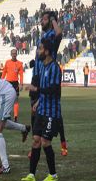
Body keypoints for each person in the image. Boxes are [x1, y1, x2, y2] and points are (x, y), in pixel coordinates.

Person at [21, 38, 62, 181]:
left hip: (52, 112)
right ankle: (31, 174)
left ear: (47, 51)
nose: (38, 51)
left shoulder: (55, 68)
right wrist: (38, 102)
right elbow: (45, 91)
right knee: (36, 140)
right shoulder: (43, 66)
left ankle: (53, 174)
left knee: (45, 142)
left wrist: (36, 89)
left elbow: (55, 90)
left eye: (40, 49)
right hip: (42, 109)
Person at [29, 11, 68, 157]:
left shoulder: (52, 34)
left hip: (45, 76)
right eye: (41, 19)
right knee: (35, 110)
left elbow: (59, 33)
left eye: (44, 19)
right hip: (37, 76)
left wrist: (53, 20)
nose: (41, 21)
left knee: (53, 109)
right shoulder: (43, 36)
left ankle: (62, 142)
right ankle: (36, 142)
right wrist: (35, 62)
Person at [1, 49, 24, 122]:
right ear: (11, 54)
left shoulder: (19, 63)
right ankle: (7, 115)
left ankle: (15, 116)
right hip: (8, 83)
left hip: (15, 83)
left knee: (15, 100)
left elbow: (21, 75)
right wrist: (1, 81)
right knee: (8, 99)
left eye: (15, 53)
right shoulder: (7, 62)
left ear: (17, 54)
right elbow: (4, 72)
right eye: (13, 53)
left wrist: (21, 83)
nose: (14, 54)